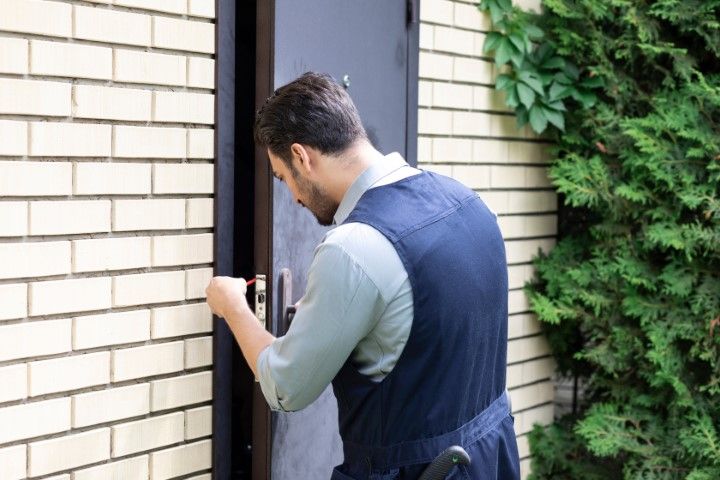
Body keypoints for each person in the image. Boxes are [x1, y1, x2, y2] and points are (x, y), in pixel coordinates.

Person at [205, 72, 520, 479]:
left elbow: (286, 387)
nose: (295, 198)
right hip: (489, 462)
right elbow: (434, 328)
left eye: (284, 179)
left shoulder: (353, 248)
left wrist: (233, 306)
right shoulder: (467, 202)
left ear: (302, 157)